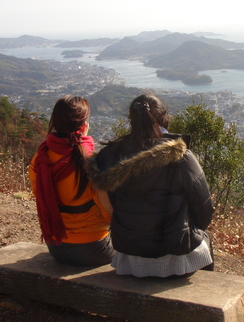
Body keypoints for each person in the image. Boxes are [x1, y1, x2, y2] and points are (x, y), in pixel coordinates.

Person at [86, 91, 214, 278]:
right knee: (205, 238)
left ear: (131, 120)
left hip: (129, 257)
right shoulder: (182, 157)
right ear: (164, 117)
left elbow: (110, 205)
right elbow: (204, 211)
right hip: (175, 258)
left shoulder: (110, 156)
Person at [29, 95, 114, 267]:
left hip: (57, 246)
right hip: (95, 248)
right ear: (84, 126)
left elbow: (37, 193)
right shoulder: (92, 161)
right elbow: (107, 210)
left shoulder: (40, 159)